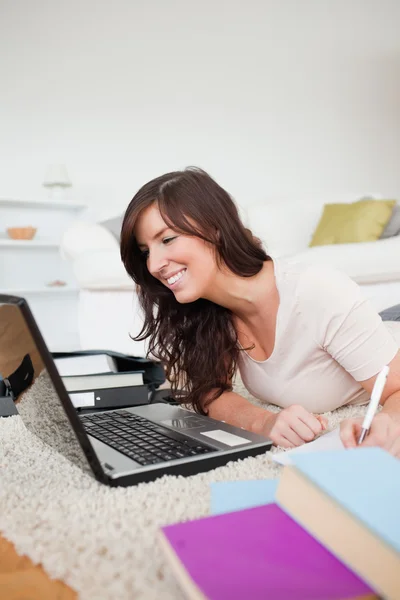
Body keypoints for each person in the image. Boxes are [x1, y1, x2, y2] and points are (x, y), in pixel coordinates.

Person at [120, 167, 400, 457]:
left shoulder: (315, 290)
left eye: (167, 240)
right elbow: (209, 393)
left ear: (214, 227)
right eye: (145, 252)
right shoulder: (208, 312)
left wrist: (389, 423)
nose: (154, 266)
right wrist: (265, 422)